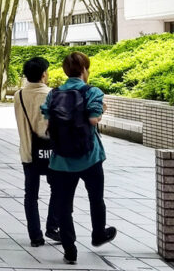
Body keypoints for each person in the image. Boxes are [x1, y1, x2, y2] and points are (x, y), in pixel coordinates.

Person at [42, 52, 116, 264]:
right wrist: (101, 111)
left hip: (61, 160)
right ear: (85, 70)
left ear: (66, 71)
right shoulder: (92, 92)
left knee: (64, 205)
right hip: (89, 157)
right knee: (95, 198)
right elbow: (93, 119)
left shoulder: (54, 94)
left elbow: (48, 121)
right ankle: (98, 234)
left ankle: (69, 249)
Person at [13, 57, 59, 247]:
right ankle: (52, 226)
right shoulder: (52, 95)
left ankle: (35, 236)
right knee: (57, 190)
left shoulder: (19, 95)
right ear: (43, 75)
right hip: (52, 153)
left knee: (30, 194)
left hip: (28, 153)